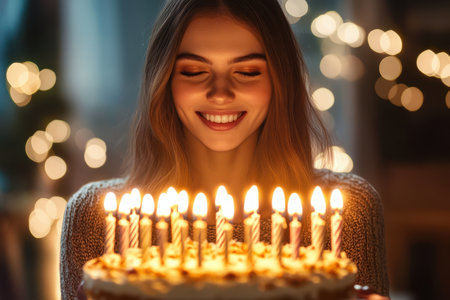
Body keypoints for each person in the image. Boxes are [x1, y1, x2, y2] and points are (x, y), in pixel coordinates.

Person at [60, 0, 389, 299]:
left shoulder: (348, 213)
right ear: (164, 81)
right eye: (194, 71)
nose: (220, 93)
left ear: (279, 80)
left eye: (246, 72)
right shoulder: (95, 218)